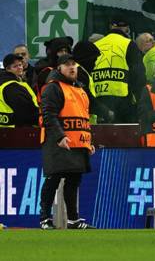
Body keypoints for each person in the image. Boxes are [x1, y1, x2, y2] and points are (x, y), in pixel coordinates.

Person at [39, 54, 96, 230]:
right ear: (59, 69)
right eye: (67, 65)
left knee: (73, 180)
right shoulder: (53, 88)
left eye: (74, 64)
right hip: (58, 141)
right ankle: (45, 218)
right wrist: (60, 136)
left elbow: (84, 118)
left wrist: (88, 141)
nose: (72, 68)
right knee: (53, 178)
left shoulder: (80, 89)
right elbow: (49, 115)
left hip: (77, 143)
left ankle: (73, 220)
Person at [92, 17, 146, 123]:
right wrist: (141, 101)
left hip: (98, 100)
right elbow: (138, 75)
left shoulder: (96, 45)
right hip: (123, 100)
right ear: (127, 29)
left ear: (111, 27)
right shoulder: (129, 44)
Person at [0, 53, 38, 128]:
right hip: (18, 130)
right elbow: (25, 111)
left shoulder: (5, 82)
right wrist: (38, 118)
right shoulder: (12, 86)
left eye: (20, 65)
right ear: (8, 69)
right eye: (15, 66)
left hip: (7, 129)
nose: (19, 68)